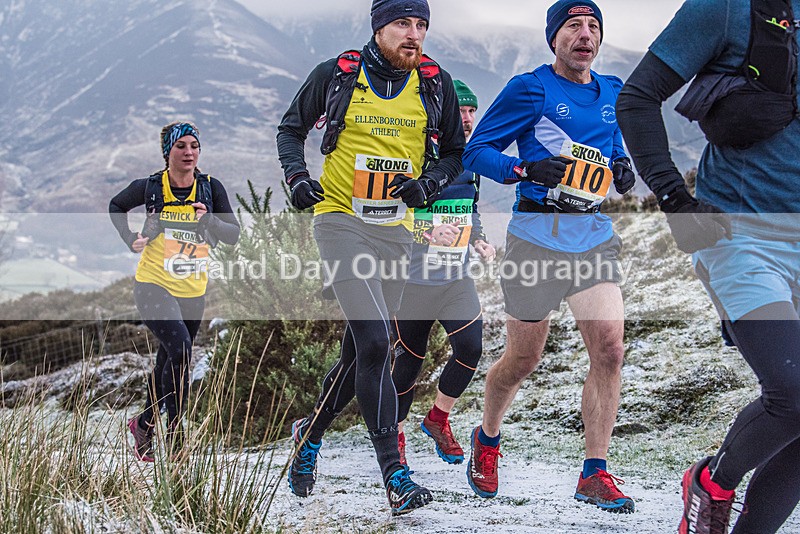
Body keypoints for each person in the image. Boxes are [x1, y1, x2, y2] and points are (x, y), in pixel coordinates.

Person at [617, 1, 800, 532]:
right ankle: (713, 483)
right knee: (792, 394)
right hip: (740, 237)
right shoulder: (725, 9)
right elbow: (637, 97)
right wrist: (675, 200)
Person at [275, 0, 464, 515]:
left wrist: (427, 184)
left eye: (422, 25)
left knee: (361, 352)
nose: (415, 34)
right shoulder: (337, 75)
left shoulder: (434, 83)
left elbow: (454, 153)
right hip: (339, 222)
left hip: (396, 233)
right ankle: (395, 475)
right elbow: (290, 130)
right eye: (404, 23)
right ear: (379, 27)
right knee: (379, 340)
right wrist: (296, 179)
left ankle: (308, 435)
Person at [461, 0, 637, 513]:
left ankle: (594, 472)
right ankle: (487, 438)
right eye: (573, 26)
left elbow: (612, 146)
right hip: (535, 240)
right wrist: (523, 171)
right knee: (523, 359)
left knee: (609, 350)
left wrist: (622, 168)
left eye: (593, 27)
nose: (585, 35)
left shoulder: (613, 92)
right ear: (554, 38)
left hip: (592, 236)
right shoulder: (530, 88)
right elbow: (477, 151)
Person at [109, 121, 240, 461]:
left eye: (194, 145)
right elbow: (116, 205)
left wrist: (208, 220)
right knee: (181, 349)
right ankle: (177, 435)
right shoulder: (151, 187)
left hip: (193, 289)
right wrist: (129, 239)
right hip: (153, 283)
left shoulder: (211, 188)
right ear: (168, 151)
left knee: (168, 360)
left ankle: (144, 423)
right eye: (181, 146)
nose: (189, 152)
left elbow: (233, 234)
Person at [391, 79, 496, 467]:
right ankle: (396, 438)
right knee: (409, 363)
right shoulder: (416, 154)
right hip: (413, 280)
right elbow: (392, 214)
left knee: (471, 348)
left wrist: (479, 239)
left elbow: (471, 209)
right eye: (460, 111)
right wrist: (427, 231)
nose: (466, 118)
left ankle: (438, 418)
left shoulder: (471, 157)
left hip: (455, 275)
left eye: (471, 111)